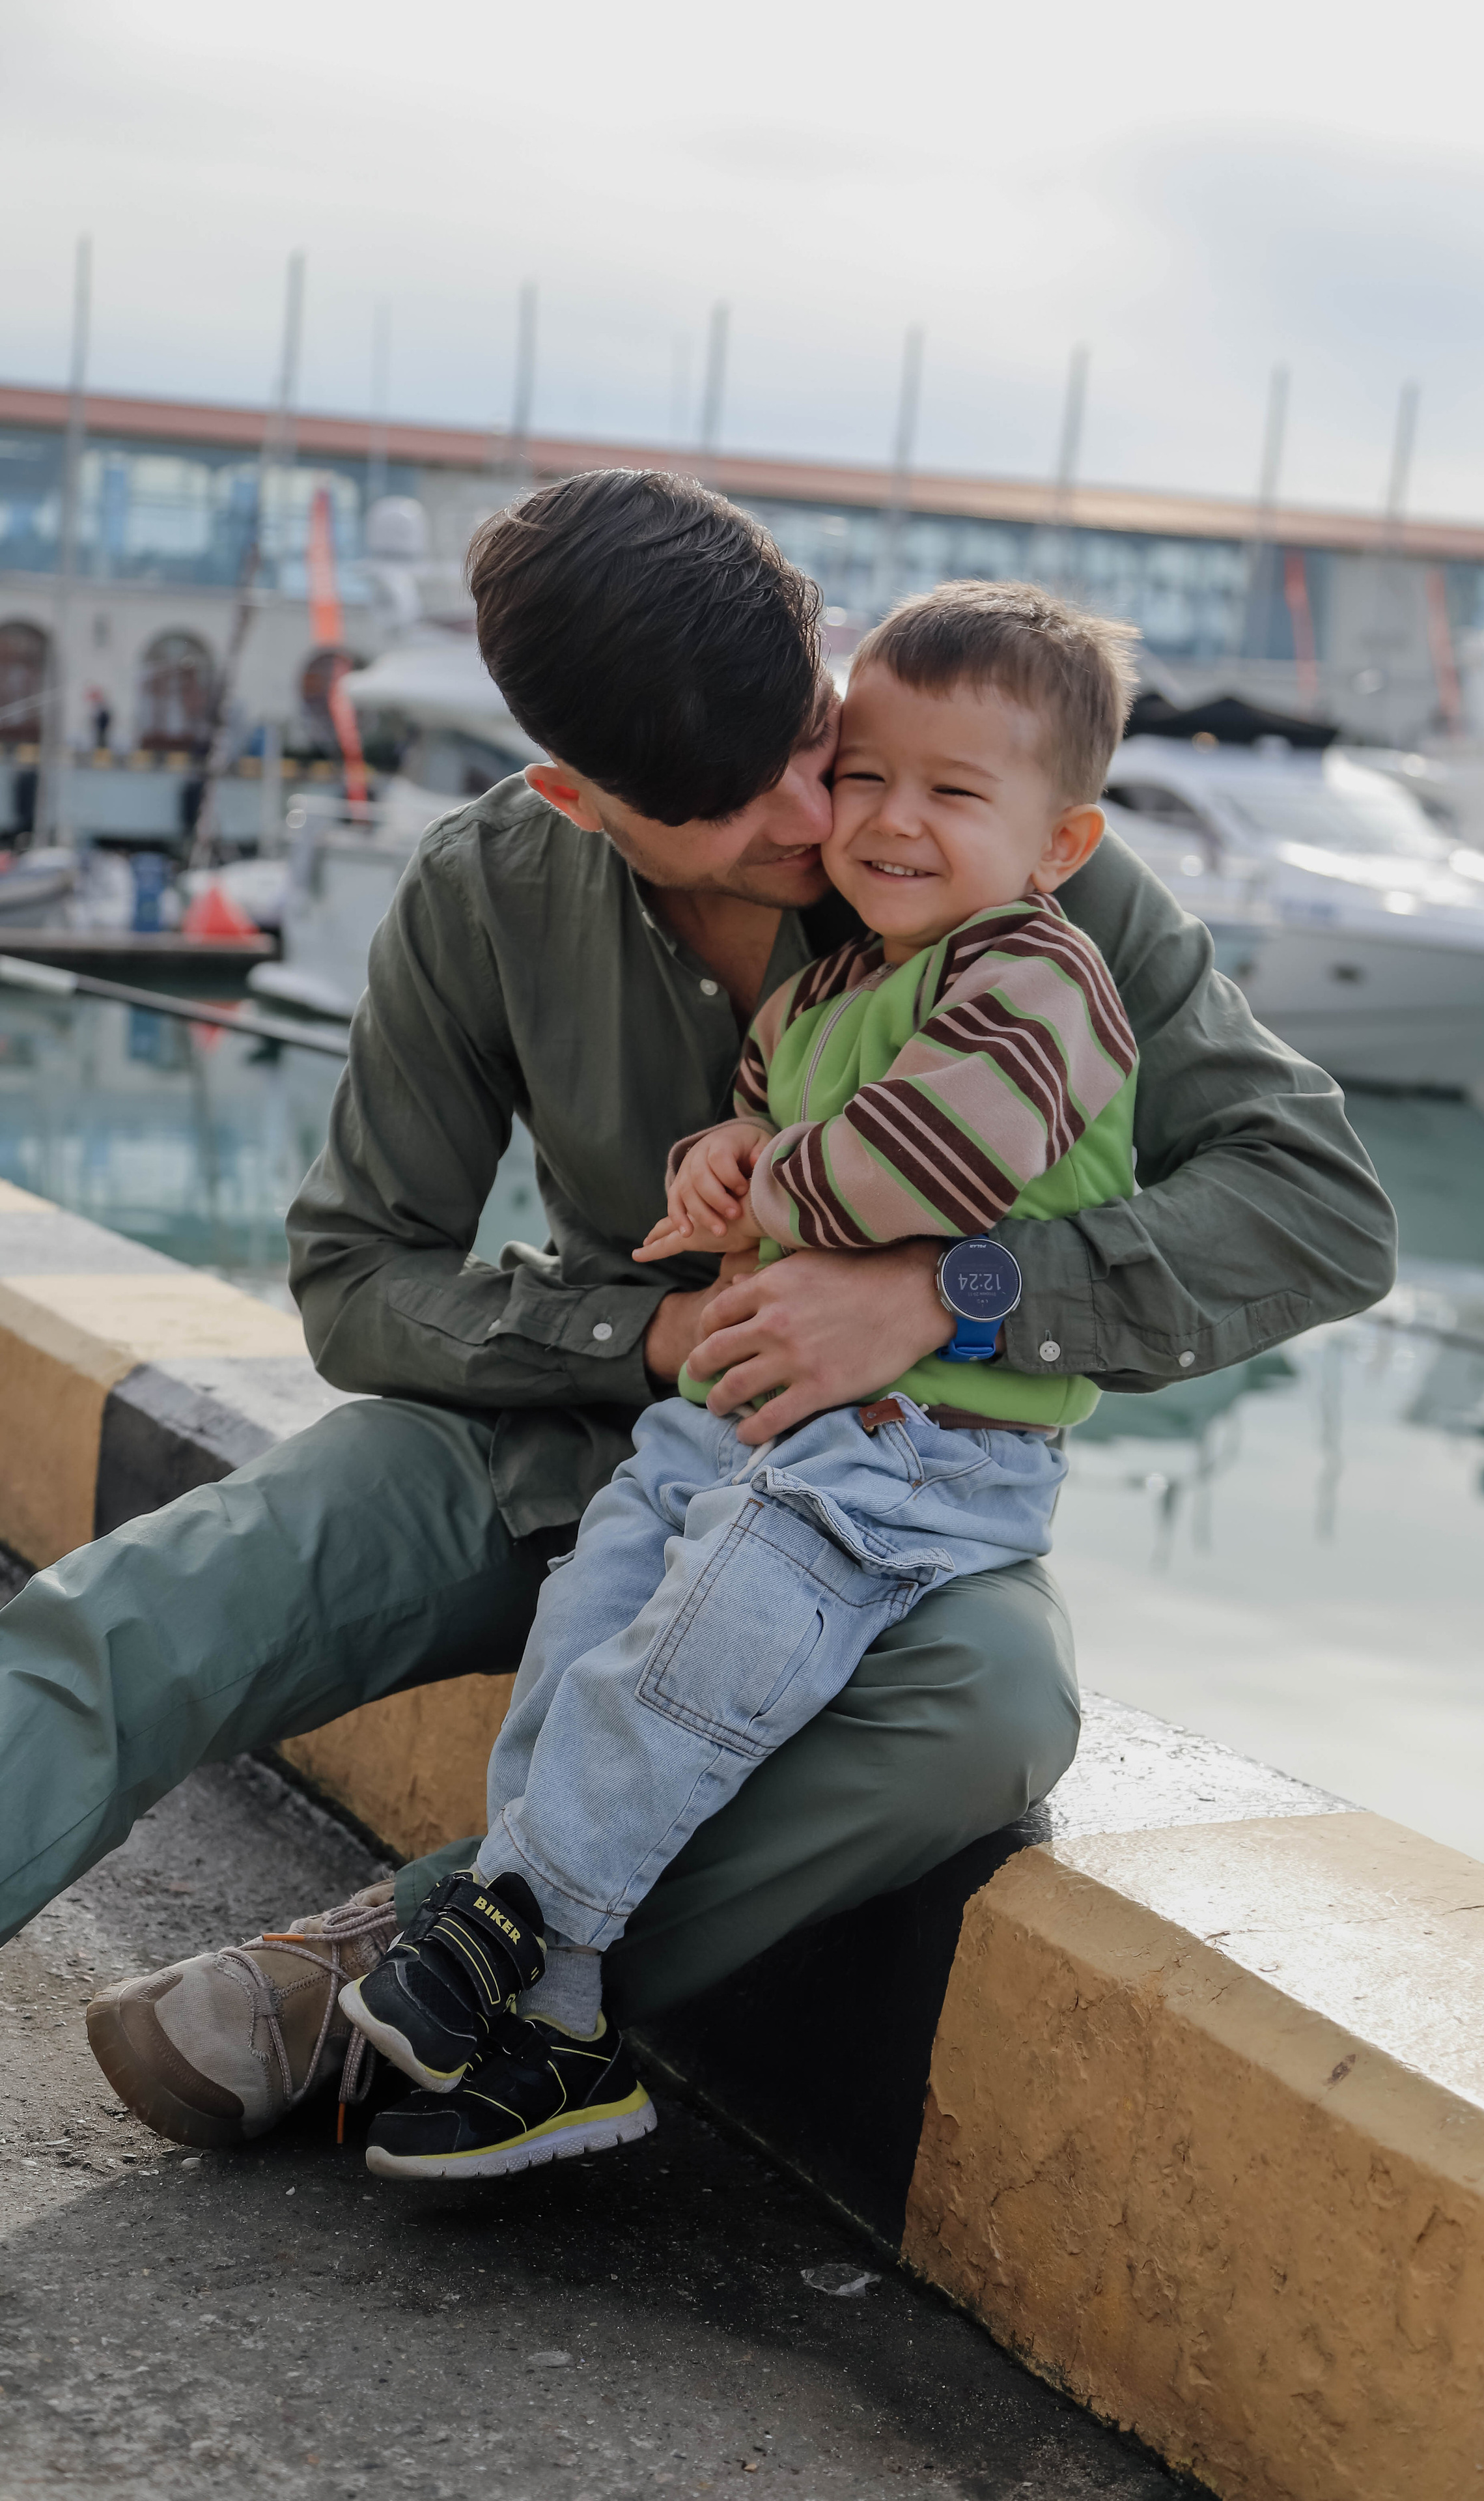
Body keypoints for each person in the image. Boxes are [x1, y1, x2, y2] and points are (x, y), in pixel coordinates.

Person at [13, 468, 1395, 2156]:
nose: (825, 822)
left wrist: (943, 1295)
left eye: (815, 741)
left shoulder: (997, 835)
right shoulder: (485, 887)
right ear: (577, 799)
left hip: (867, 1499)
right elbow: (360, 1276)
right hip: (557, 1453)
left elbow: (1319, 1211)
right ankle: (465, 1955)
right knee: (157, 1606)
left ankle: (408, 1951)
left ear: (816, 642)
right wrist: (644, 1336)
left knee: (993, 1720)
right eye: (745, 814)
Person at [339, 582, 1140, 2179]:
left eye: (949, 795)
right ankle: (558, 2033)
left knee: (701, 1657)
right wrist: (717, 1163)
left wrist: (764, 1180)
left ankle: (509, 1930)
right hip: (748, 1416)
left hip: (920, 1448)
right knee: (591, 1624)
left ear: (1056, 845)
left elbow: (931, 1156)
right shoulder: (829, 988)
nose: (883, 821)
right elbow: (762, 1112)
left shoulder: (1038, 983)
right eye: (867, 777)